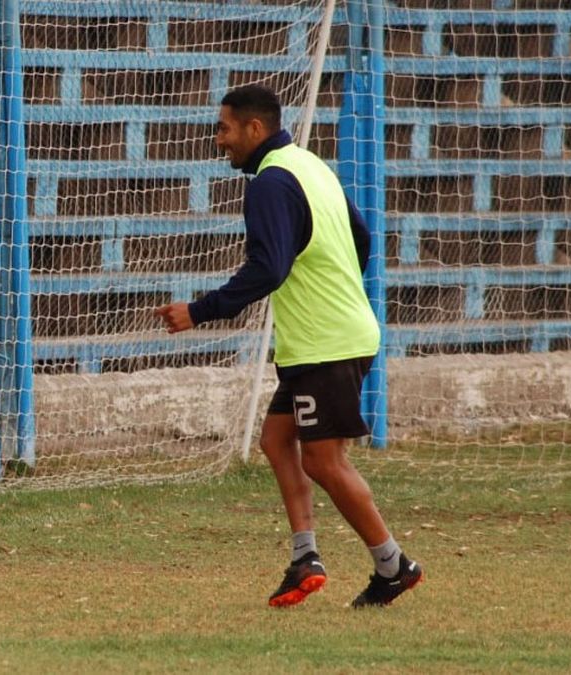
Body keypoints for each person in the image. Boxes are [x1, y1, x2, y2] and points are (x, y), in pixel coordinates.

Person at [154, 84, 422, 609]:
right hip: (326, 337)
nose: (218, 140)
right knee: (278, 441)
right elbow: (361, 235)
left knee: (324, 461)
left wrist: (198, 311)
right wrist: (338, 288)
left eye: (225, 128)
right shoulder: (309, 165)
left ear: (255, 129)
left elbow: (268, 268)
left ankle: (394, 565)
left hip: (327, 342)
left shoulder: (270, 184)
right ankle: (306, 557)